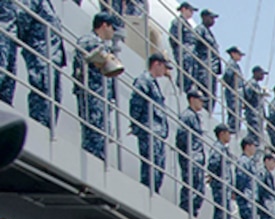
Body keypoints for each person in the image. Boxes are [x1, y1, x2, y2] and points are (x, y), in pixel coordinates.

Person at [72, 12, 119, 160]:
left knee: (101, 138)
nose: (113, 32)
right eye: (112, 27)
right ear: (104, 25)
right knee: (93, 136)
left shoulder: (103, 46)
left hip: (101, 97)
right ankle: (92, 163)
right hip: (92, 95)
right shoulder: (89, 41)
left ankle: (98, 162)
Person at [17, 0, 65, 129]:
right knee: (42, 87)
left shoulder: (49, 4)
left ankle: (48, 125)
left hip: (53, 58)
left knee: (54, 94)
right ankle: (39, 123)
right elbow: (23, 18)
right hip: (41, 54)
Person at [129, 54, 170, 193]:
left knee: (158, 168)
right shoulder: (144, 80)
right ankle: (147, 192)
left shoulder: (153, 83)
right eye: (164, 67)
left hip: (157, 132)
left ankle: (153, 192)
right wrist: (136, 124)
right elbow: (136, 102)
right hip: (149, 129)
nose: (165, 71)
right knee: (150, 167)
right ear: (156, 64)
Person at [179, 88, 209, 217]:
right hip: (191, 157)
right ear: (192, 100)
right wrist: (188, 155)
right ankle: (186, 211)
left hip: (197, 159)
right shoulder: (187, 116)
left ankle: (192, 212)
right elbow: (182, 137)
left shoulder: (195, 116)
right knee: (191, 187)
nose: (202, 103)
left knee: (199, 190)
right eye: (200, 100)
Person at [233, 135, 259, 219]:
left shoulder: (250, 162)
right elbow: (241, 178)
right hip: (246, 196)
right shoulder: (244, 161)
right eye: (253, 146)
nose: (255, 148)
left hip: (250, 197)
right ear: (247, 146)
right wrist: (240, 193)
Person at [221, 44, 245, 130]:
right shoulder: (231, 64)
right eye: (239, 54)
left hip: (236, 92)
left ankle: (235, 129)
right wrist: (225, 81)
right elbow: (228, 74)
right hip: (233, 92)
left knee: (237, 112)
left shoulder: (235, 65)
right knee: (233, 111)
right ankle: (232, 129)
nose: (240, 57)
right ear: (233, 54)